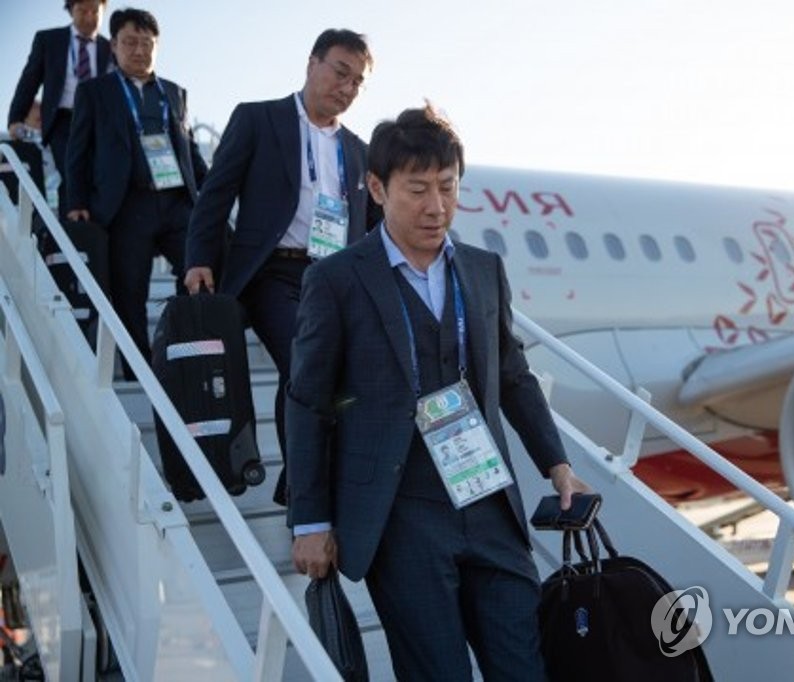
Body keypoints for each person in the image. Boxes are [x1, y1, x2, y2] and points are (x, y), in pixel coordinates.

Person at [287, 105, 591, 681]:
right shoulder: (336, 279)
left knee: (526, 667)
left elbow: (512, 375)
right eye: (418, 189)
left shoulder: (482, 269)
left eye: (447, 188)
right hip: (401, 513)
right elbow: (308, 402)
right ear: (378, 188)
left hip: (488, 500)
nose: (436, 206)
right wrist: (310, 521)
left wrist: (559, 468)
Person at [184, 29, 381, 504]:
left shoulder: (358, 151)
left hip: (334, 278)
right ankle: (303, 489)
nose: (347, 88)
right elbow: (215, 195)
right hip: (274, 273)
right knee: (304, 360)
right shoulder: (258, 119)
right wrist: (199, 259)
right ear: (312, 63)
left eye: (358, 82)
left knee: (328, 374)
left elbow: (376, 226)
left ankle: (304, 482)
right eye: (341, 72)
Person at [64, 8, 207, 376]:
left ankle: (181, 347)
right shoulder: (95, 92)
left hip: (176, 202)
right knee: (129, 292)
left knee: (201, 267)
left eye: (147, 43)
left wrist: (209, 196)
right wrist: (76, 201)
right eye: (130, 42)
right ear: (113, 46)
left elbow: (189, 151)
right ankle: (139, 372)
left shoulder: (173, 92)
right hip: (127, 206)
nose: (140, 50)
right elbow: (78, 152)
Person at [7, 0, 111, 219]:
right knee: (71, 170)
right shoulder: (49, 40)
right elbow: (29, 80)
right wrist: (16, 118)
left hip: (100, 123)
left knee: (100, 174)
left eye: (95, 11)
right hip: (63, 120)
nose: (89, 16)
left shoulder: (110, 48)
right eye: (82, 10)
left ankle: (92, 227)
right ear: (71, 10)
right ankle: (71, 226)